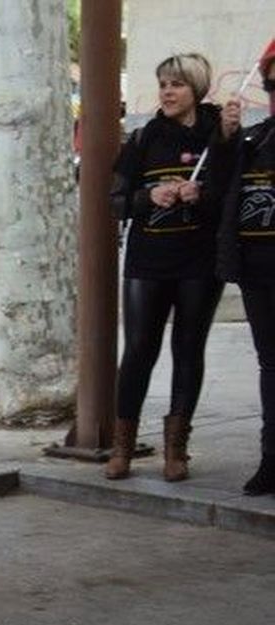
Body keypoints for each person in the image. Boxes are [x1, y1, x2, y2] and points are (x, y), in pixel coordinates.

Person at [105, 53, 225, 483]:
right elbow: (116, 200)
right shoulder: (143, 139)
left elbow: (231, 199)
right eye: (163, 85)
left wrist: (202, 194)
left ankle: (177, 450)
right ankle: (122, 448)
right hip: (147, 259)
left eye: (176, 85)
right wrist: (148, 196)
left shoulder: (221, 137)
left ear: (197, 89)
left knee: (188, 351)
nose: (167, 93)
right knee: (138, 350)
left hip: (199, 261)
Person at [217, 41, 275, 494]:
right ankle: (271, 458)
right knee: (271, 366)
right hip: (257, 271)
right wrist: (228, 136)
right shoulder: (255, 139)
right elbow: (223, 187)